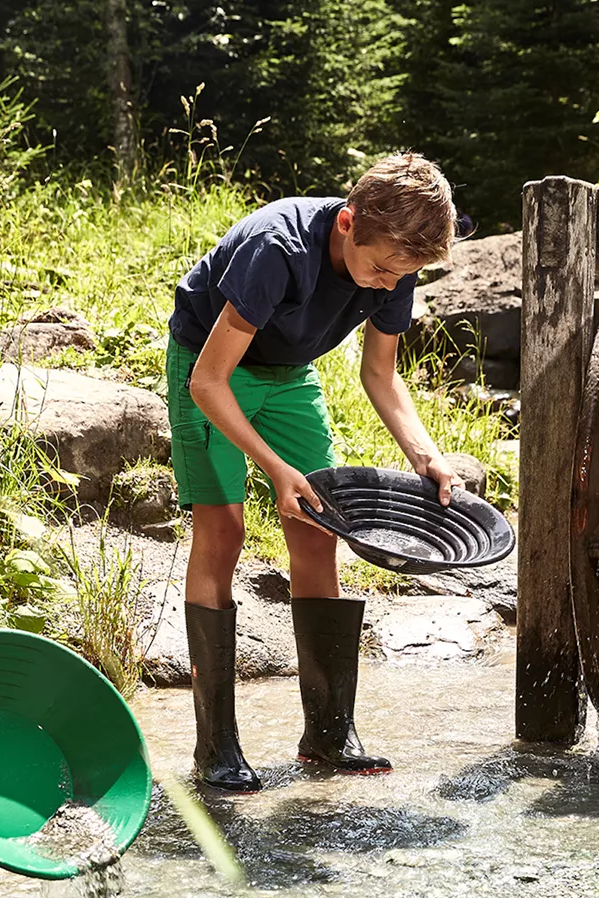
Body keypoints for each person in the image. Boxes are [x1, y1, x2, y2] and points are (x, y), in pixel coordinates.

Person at [167, 152, 464, 793]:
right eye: (381, 270)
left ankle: (328, 734)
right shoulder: (277, 249)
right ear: (348, 223)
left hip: (289, 377)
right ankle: (215, 746)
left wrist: (425, 454)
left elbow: (379, 374)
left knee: (318, 527)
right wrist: (275, 469)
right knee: (223, 532)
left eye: (400, 276)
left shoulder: (396, 259)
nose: (386, 286)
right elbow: (208, 381)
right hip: (211, 366)